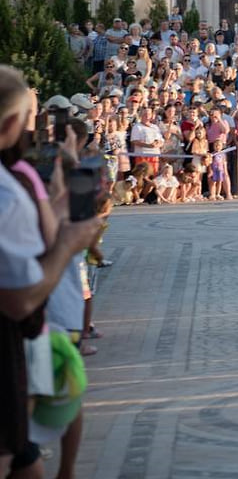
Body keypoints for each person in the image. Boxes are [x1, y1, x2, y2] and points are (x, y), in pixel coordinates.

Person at [1, 67, 103, 477]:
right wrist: (67, 244)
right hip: (14, 340)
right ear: (11, 123)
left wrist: (60, 212)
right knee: (16, 453)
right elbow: (18, 298)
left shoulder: (16, 177)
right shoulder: (7, 189)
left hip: (31, 334)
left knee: (26, 458)